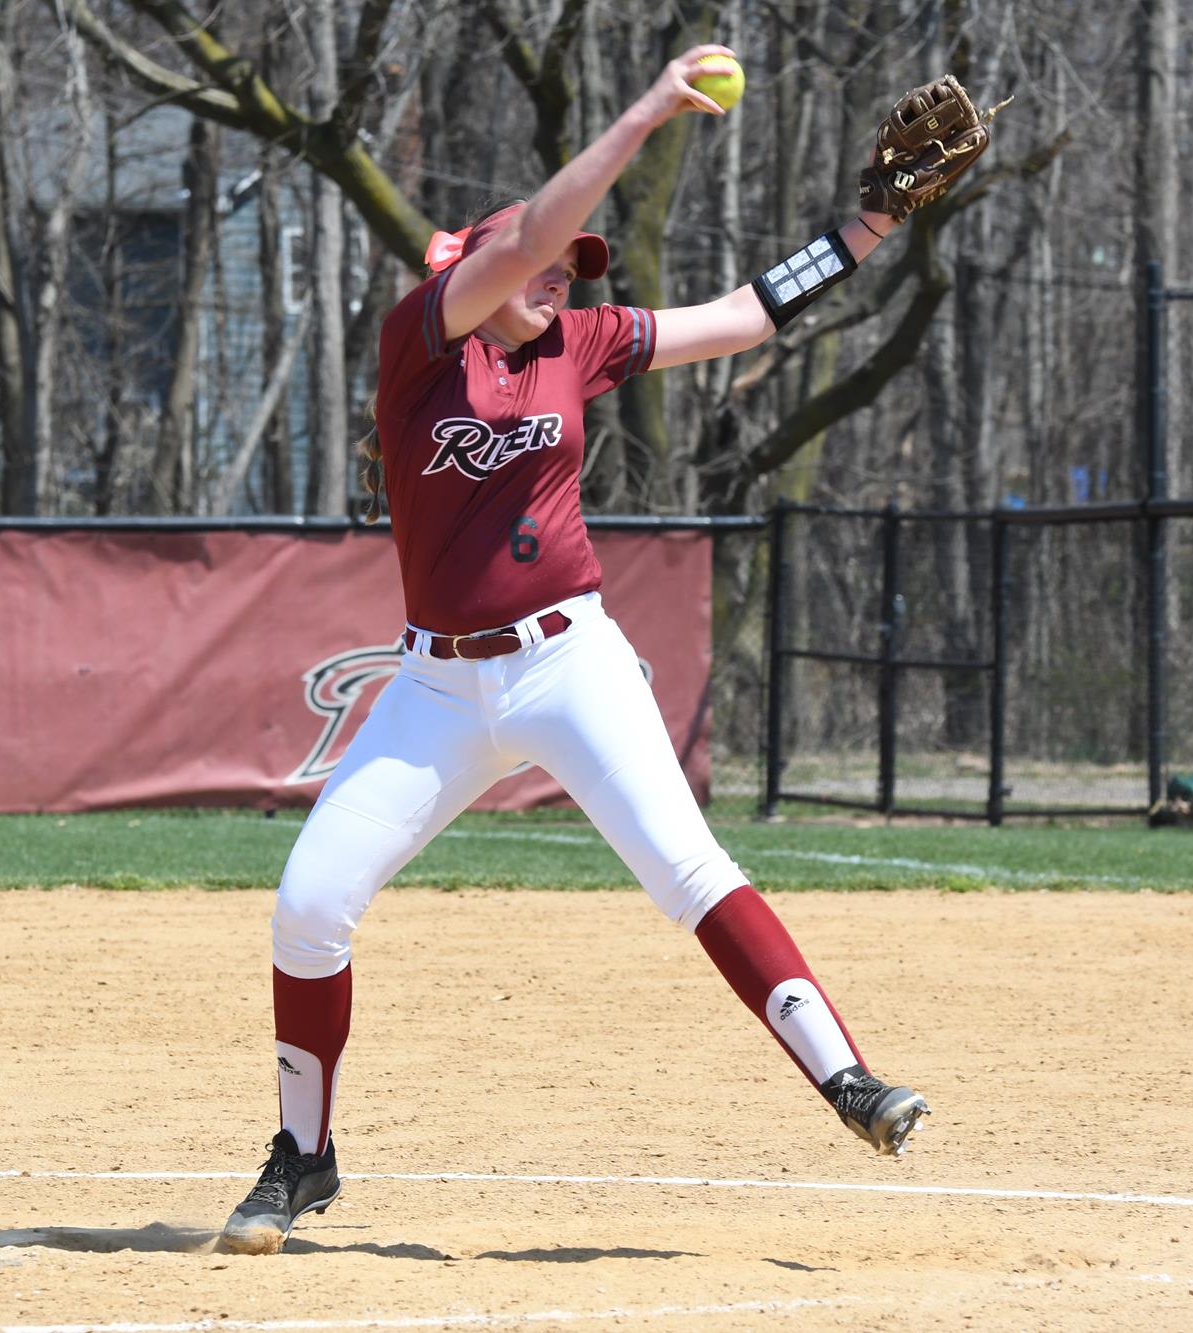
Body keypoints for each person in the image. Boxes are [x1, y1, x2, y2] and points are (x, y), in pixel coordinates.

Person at [220, 44, 945, 1256]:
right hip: (438, 685)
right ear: (478, 266)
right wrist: (651, 109)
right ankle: (303, 1157)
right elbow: (524, 237)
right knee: (308, 907)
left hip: (568, 661)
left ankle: (848, 1080)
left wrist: (864, 228)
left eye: (575, 268)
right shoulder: (423, 338)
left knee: (688, 869)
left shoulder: (582, 342)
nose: (565, 273)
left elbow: (744, 312)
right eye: (548, 258)